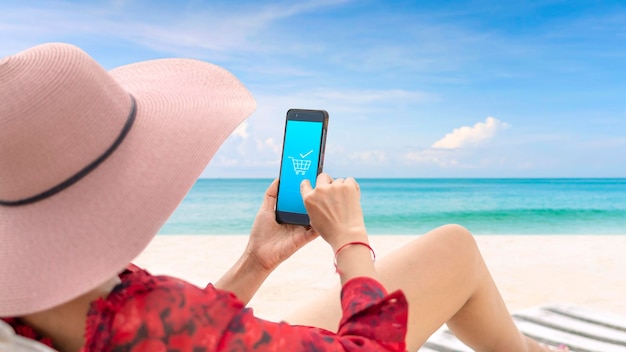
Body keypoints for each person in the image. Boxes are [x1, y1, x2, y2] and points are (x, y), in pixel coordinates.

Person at [0, 43, 567, 352]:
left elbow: (179, 335)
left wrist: (256, 260)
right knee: (454, 247)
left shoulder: (30, 298)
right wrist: (350, 242)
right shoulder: (146, 317)